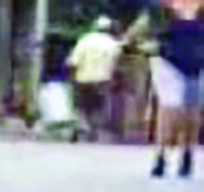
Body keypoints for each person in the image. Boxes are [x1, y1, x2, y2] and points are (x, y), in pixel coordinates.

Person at [127, 0, 204, 176]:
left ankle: (186, 154)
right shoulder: (160, 10)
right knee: (170, 108)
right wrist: (145, 46)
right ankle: (162, 155)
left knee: (191, 110)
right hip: (168, 61)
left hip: (197, 60)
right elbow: (135, 34)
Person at [71, 18, 124, 141]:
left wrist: (73, 78)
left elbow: (74, 62)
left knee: (83, 106)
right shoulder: (114, 44)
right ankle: (94, 129)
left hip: (83, 79)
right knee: (99, 106)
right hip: (103, 80)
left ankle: (84, 127)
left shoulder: (84, 40)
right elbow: (117, 65)